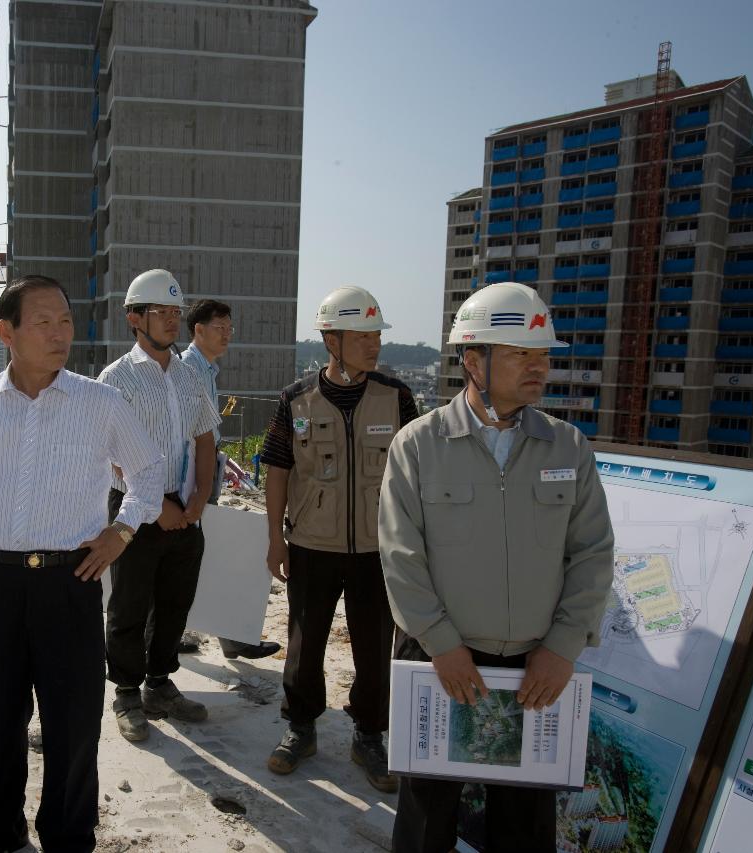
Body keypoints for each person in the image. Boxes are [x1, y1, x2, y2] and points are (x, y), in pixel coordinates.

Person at [0, 276, 164, 853]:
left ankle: (68, 835)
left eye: (66, 320)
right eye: (44, 322)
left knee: (74, 726)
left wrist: (121, 531)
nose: (60, 334)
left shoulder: (100, 402)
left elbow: (148, 473)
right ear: (6, 332)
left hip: (70, 582)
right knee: (1, 722)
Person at [379, 281, 614, 853]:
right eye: (520, 355)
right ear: (473, 360)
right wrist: (441, 643)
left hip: (535, 663)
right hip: (441, 657)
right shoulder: (418, 446)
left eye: (542, 356)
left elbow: (592, 553)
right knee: (428, 815)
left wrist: (561, 646)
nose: (538, 368)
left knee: (525, 823)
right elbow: (400, 555)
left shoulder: (568, 448)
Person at [261, 286, 416, 791]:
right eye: (363, 335)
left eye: (376, 335)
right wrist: (275, 539)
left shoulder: (397, 397)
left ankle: (369, 735)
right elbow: (278, 469)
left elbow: (418, 475)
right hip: (311, 544)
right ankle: (300, 728)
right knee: (305, 645)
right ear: (332, 339)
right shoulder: (295, 399)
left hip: (378, 549)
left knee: (374, 648)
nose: (374, 345)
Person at [99, 269, 220, 742]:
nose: (172, 321)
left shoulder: (190, 375)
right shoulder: (118, 378)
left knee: (174, 601)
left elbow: (205, 438)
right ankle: (127, 692)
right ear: (134, 317)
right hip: (134, 504)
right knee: (129, 602)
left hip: (183, 504)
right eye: (162, 312)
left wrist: (198, 500)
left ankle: (159, 682)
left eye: (176, 313)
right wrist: (155, 506)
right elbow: (113, 453)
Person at [180, 299, 280, 661]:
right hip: (192, 481)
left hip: (205, 476)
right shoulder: (188, 369)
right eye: (220, 327)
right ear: (199, 330)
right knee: (204, 556)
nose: (227, 335)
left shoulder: (206, 369)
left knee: (208, 555)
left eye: (229, 328)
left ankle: (228, 636)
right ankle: (226, 637)